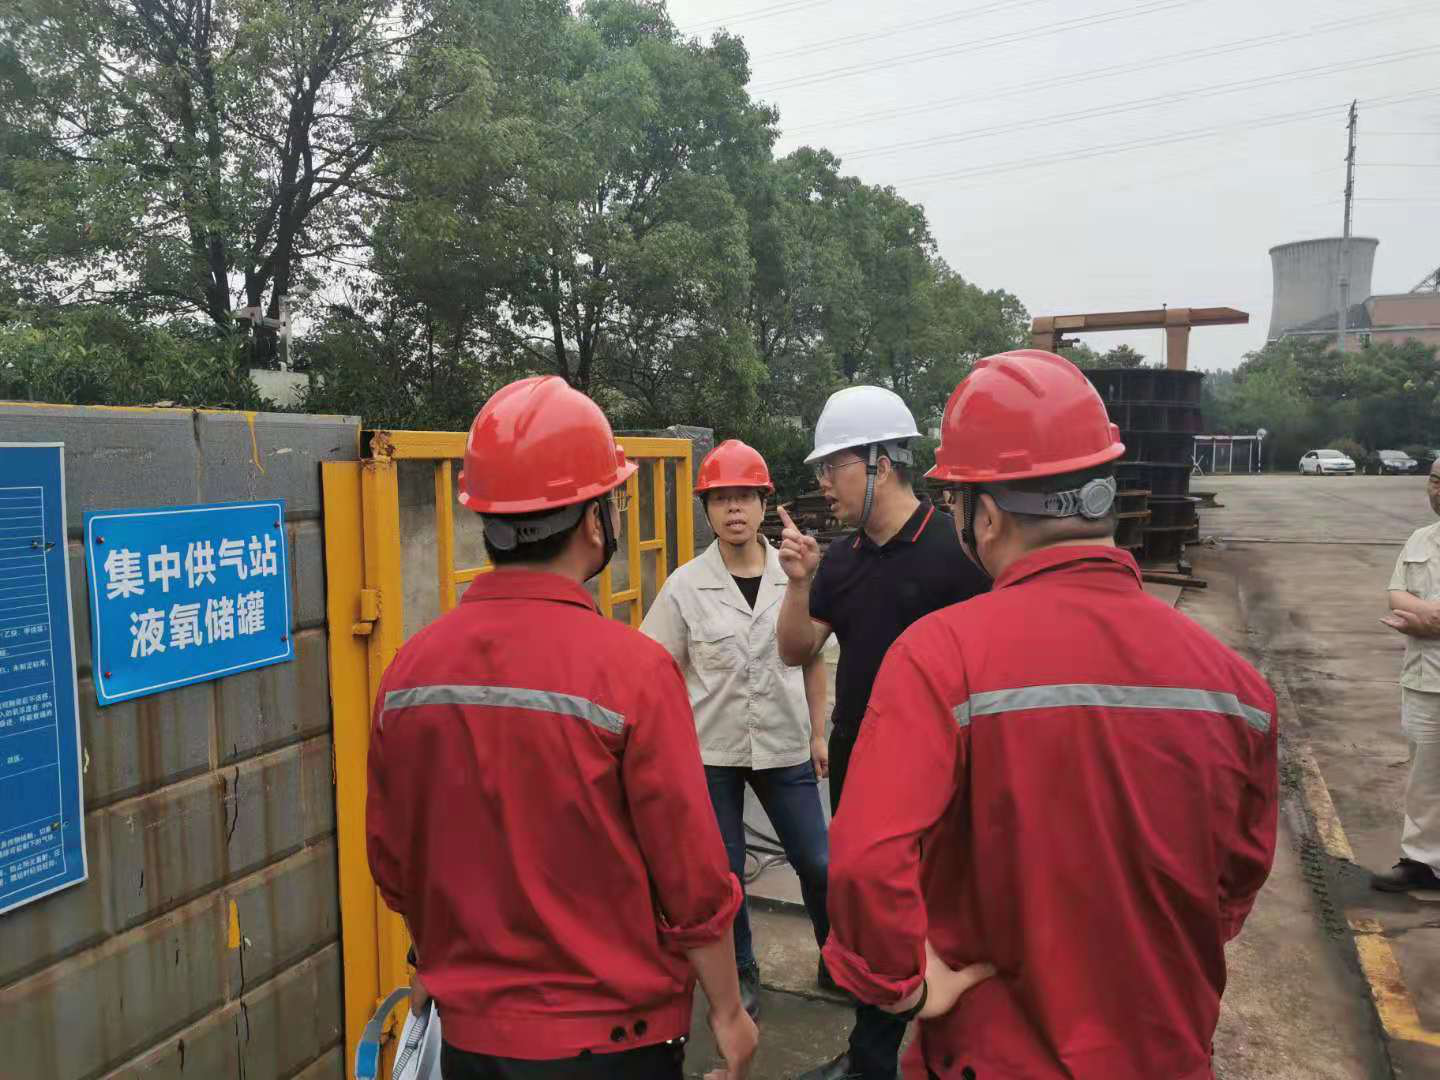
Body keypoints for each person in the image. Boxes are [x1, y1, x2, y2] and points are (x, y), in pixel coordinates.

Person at [822, 350, 1280, 1079]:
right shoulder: (1238, 688)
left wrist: (900, 985)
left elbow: (866, 861)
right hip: (1164, 1053)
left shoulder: (940, 659)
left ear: (987, 515)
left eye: (958, 503)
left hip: (988, 1055)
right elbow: (1234, 885)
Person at [365, 376, 758, 1080]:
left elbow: (395, 861)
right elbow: (693, 882)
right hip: (616, 1041)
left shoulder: (408, 672)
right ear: (594, 522)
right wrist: (728, 1011)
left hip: (473, 1041)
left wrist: (431, 956)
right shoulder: (633, 671)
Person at [775, 385, 990, 1080]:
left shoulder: (958, 554)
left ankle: (936, 1050)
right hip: (860, 757)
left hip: (945, 766)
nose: (823, 483)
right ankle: (872, 1059)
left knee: (941, 908)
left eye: (832, 466)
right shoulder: (840, 561)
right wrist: (799, 582)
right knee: (870, 911)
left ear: (881, 463)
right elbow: (795, 649)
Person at [641, 439, 833, 1021]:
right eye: (721, 498)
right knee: (725, 874)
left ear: (763, 504)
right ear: (707, 509)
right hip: (712, 751)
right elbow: (654, 668)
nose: (734, 509)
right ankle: (743, 969)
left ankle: (836, 956)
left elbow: (813, 658)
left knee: (819, 862)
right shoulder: (684, 586)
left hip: (783, 743)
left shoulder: (793, 575)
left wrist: (818, 733)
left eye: (744, 497)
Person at [1373, 458, 1440, 891]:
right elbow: (1396, 593)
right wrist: (1425, 617)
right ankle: (1422, 861)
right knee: (1424, 776)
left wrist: (1428, 620)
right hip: (1424, 679)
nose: (1439, 489)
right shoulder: (1420, 539)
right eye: (1435, 480)